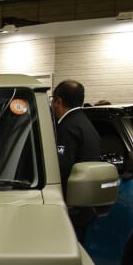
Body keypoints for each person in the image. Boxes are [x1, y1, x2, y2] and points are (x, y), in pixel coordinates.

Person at [51, 79, 101, 239]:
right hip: (84, 205)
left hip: (70, 208)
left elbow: (61, 168)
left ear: (58, 101)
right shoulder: (85, 124)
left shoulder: (67, 127)